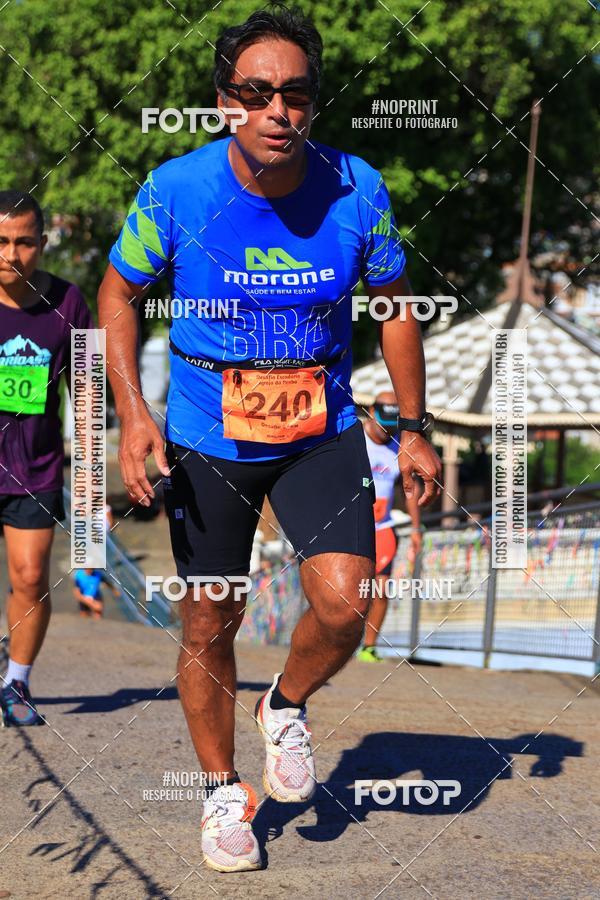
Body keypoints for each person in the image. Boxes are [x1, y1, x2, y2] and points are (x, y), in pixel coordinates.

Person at [98, 4, 442, 873]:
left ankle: (283, 704)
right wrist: (134, 415)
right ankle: (222, 796)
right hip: (208, 437)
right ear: (226, 102)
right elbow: (116, 295)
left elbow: (397, 305)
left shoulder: (358, 187)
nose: (277, 110)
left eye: (296, 93)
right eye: (257, 92)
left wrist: (414, 430)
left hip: (317, 430)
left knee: (347, 603)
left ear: (314, 104)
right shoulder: (177, 189)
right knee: (211, 618)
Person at [0, 190, 92, 727]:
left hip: (34, 469)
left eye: (25, 242)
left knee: (31, 577)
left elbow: (87, 392)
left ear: (42, 243)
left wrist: (91, 483)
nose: (12, 255)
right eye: (2, 242)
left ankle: (18, 680)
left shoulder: (69, 302)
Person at [357, 392, 423, 662]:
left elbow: (411, 490)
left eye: (391, 425)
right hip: (352, 524)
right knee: (347, 590)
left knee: (380, 589)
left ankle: (369, 647)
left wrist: (417, 529)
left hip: (383, 528)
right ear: (372, 412)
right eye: (383, 423)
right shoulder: (353, 438)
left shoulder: (399, 447)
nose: (387, 430)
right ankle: (338, 641)